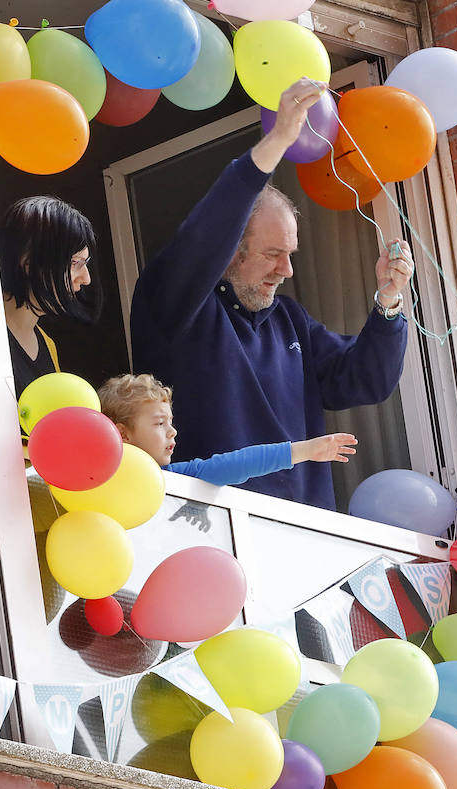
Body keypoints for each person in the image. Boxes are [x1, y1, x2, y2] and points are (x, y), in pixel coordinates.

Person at [130, 78, 415, 510]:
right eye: (272, 254)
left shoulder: (290, 320)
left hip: (305, 530)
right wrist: (280, 140)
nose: (287, 270)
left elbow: (366, 381)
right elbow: (206, 231)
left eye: (291, 254)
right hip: (209, 525)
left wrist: (389, 304)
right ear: (230, 251)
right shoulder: (176, 304)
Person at [98, 374, 357, 486]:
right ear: (122, 433)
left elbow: (236, 464)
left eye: (171, 422)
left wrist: (307, 449)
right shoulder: (94, 481)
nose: (172, 432)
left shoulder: (174, 476)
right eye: (159, 423)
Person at [0, 196, 102, 399]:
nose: (86, 278)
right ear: (28, 261)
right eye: (75, 263)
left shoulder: (47, 344)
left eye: (85, 263)